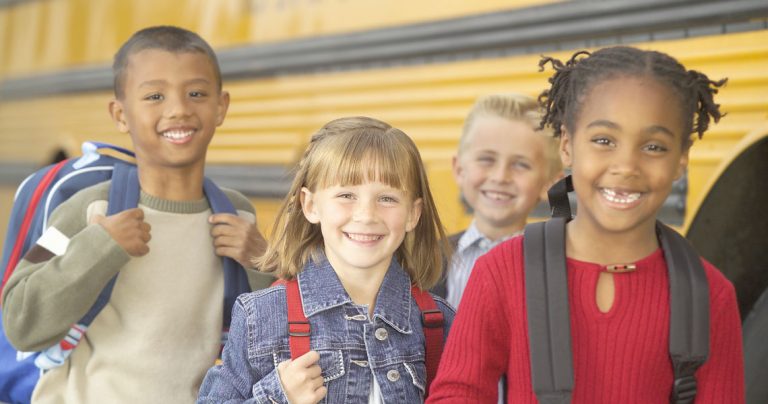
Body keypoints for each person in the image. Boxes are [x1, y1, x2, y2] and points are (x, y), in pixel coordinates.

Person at [427, 46, 744, 403]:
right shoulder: (502, 272)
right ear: (566, 146)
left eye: (654, 147)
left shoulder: (710, 296)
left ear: (682, 160)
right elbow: (458, 393)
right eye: (603, 141)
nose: (626, 165)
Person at [1, 26, 271, 403]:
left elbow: (273, 335)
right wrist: (98, 246)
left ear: (221, 106)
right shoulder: (86, 209)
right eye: (154, 96)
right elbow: (19, 320)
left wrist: (262, 262)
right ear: (120, 114)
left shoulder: (237, 213)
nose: (178, 109)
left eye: (196, 93)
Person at [197, 116, 455, 403]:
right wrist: (278, 396)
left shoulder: (437, 322)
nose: (367, 215)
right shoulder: (262, 316)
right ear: (310, 205)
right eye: (347, 195)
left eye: (387, 199)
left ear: (413, 214)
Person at [433, 93, 562, 310]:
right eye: (486, 159)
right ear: (459, 169)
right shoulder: (424, 262)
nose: (501, 177)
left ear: (549, 184)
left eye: (521, 164)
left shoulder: (560, 268)